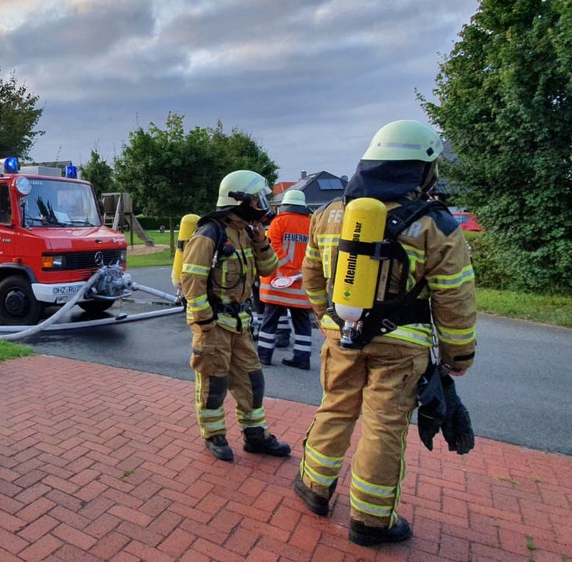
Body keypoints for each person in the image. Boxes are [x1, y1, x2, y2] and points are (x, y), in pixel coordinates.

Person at [293, 120, 477, 546]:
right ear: (421, 169)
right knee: (384, 426)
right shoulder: (436, 225)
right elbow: (454, 299)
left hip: (342, 336)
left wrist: (328, 320)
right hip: (402, 345)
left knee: (335, 408)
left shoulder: (329, 214)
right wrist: (458, 356)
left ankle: (314, 489)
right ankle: (371, 522)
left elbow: (312, 276)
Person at [181, 170, 292, 462]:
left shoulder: (247, 231)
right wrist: (204, 323)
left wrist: (260, 242)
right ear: (238, 200)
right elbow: (192, 282)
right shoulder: (209, 233)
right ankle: (214, 435)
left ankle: (256, 436)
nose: (260, 203)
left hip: (241, 324)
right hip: (214, 325)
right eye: (255, 198)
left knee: (252, 381)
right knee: (213, 383)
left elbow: (269, 269)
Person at [257, 189, 313, 370]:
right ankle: (302, 358)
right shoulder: (311, 224)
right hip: (302, 284)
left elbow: (272, 247)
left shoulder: (278, 222)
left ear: (285, 205)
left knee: (270, 320)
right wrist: (298, 272)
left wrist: (287, 270)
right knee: (302, 323)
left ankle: (264, 355)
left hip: (278, 283)